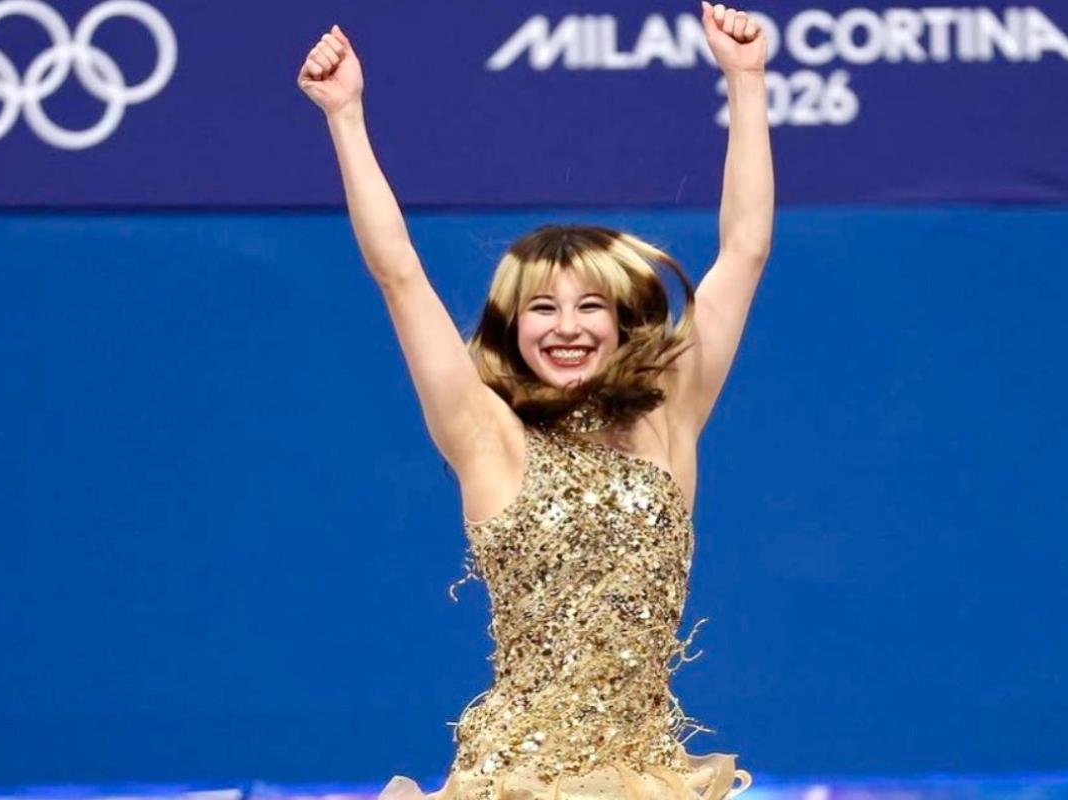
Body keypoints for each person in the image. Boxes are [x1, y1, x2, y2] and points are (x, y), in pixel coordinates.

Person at [298, 3, 773, 799]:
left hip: (648, 777)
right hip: (516, 781)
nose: (567, 328)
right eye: (542, 309)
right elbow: (398, 273)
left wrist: (747, 81)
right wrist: (345, 116)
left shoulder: (669, 417)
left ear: (624, 322)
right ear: (512, 329)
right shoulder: (487, 437)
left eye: (590, 307)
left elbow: (745, 249)